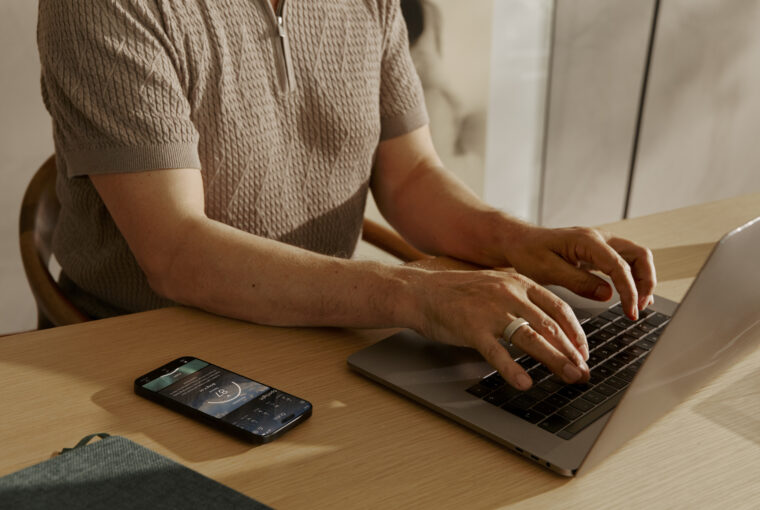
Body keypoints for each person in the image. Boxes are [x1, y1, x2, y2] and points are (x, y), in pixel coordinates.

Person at [37, 0, 655, 393]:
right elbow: (175, 253)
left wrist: (521, 241)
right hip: (147, 356)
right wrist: (414, 294)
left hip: (324, 331)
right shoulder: (103, 7)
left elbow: (409, 176)